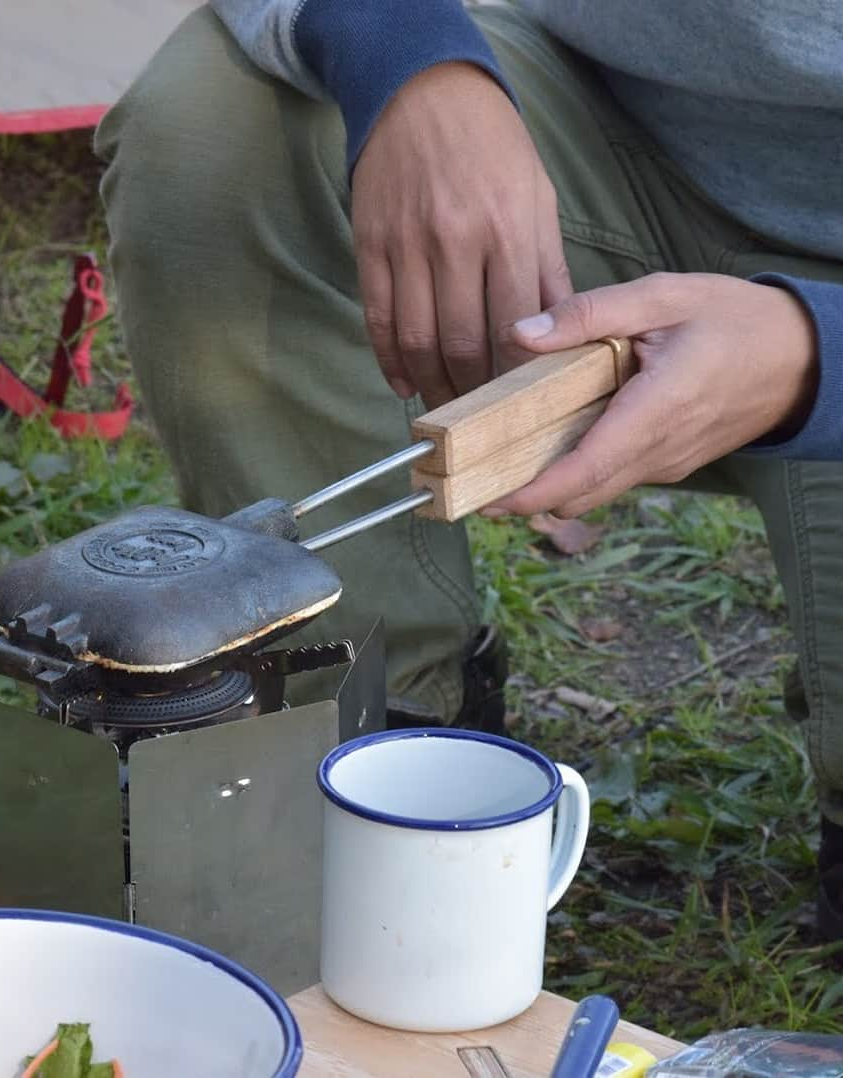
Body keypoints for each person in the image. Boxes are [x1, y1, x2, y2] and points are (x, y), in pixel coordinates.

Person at [93, 1, 843, 940]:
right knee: (228, 119)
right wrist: (408, 61)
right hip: (604, 131)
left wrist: (819, 358)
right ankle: (378, 721)